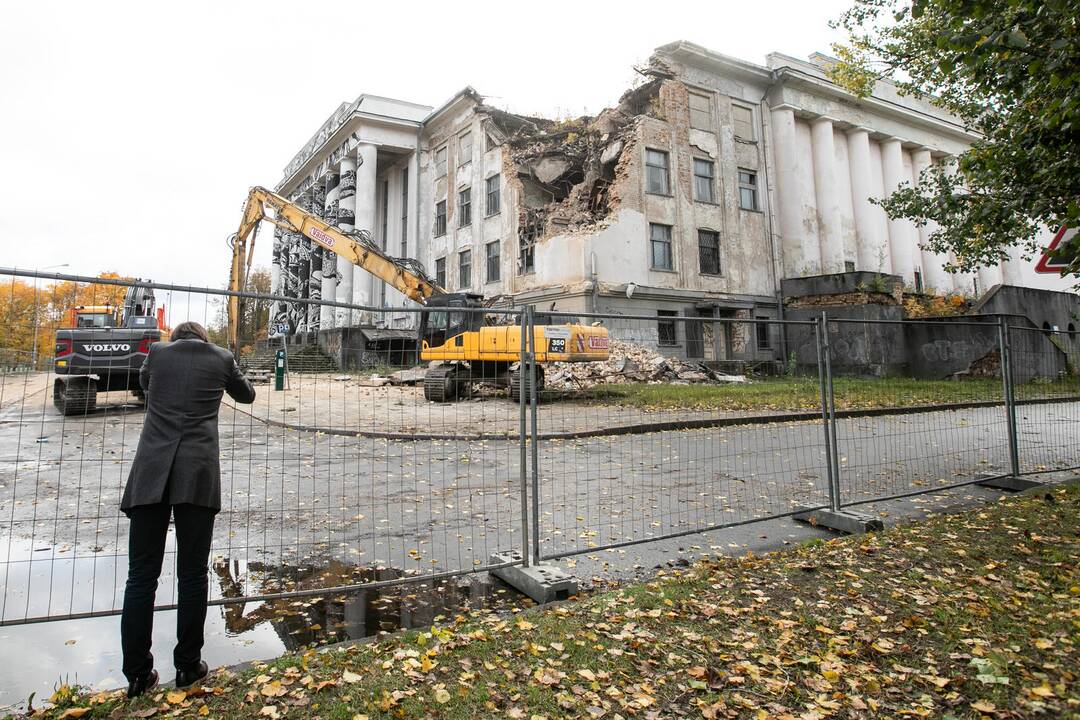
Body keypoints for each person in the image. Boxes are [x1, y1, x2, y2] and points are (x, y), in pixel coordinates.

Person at [119, 321, 256, 698]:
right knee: (193, 573)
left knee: (141, 576)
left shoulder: (158, 354)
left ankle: (136, 674)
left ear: (176, 337)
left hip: (151, 473)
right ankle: (188, 666)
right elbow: (247, 396)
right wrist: (228, 373)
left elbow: (147, 387)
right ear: (204, 338)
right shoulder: (222, 358)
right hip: (196, 473)